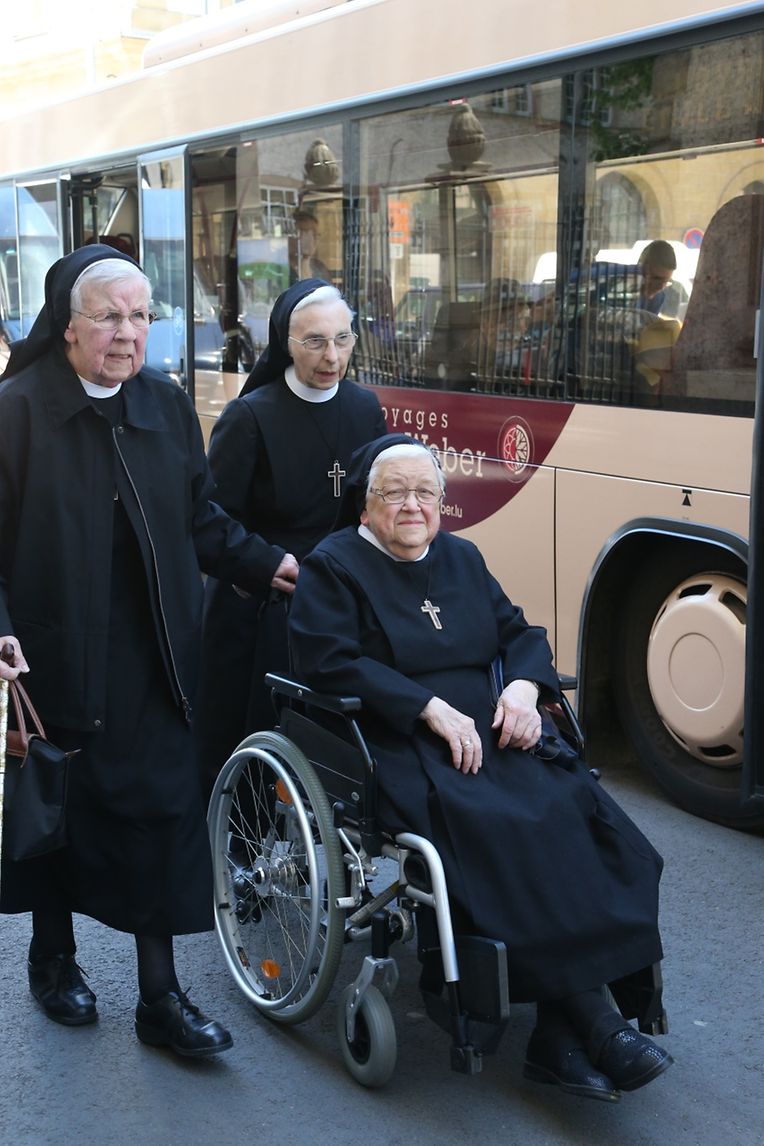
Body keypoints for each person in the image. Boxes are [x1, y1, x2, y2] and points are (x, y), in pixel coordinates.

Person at [288, 433, 673, 1103]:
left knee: (577, 814)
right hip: (397, 741)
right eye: (395, 493)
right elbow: (328, 661)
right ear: (365, 505)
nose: (413, 506)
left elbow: (519, 633)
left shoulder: (461, 557)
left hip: (493, 731)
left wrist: (522, 690)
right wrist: (426, 707)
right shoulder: (334, 566)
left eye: (426, 492)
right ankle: (594, 1021)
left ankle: (560, 1034)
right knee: (503, 831)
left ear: (443, 503)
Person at [0, 244, 298, 1057]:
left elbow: (201, 520)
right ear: (67, 327)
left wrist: (268, 565)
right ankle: (52, 957)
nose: (130, 334)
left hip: (156, 652)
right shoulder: (16, 412)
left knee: (162, 817)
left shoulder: (164, 406)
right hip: (55, 655)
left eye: (141, 316)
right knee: (59, 810)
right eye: (110, 318)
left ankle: (160, 998)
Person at [195, 279, 386, 800]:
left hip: (336, 603)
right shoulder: (250, 416)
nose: (332, 357)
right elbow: (210, 518)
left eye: (343, 340)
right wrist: (265, 564)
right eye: (315, 342)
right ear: (286, 342)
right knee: (252, 749)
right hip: (259, 610)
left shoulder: (364, 408)